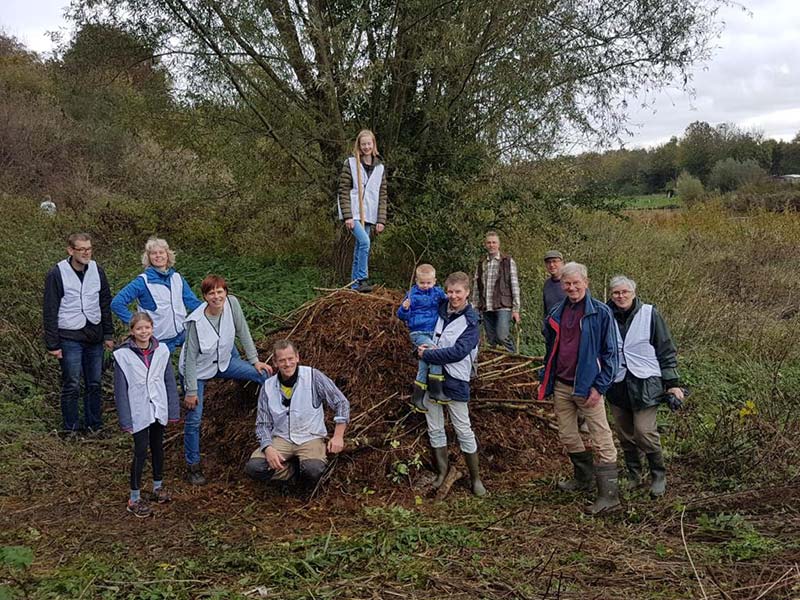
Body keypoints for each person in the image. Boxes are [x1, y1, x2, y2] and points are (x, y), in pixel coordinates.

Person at [538, 262, 621, 514]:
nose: (572, 287)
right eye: (567, 283)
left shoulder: (601, 313)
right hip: (562, 384)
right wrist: (547, 379)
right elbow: (551, 349)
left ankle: (609, 497)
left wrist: (600, 386)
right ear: (562, 285)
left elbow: (611, 354)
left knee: (601, 437)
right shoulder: (555, 312)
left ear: (586, 282)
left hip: (588, 386)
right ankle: (583, 479)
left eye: (576, 283)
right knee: (567, 434)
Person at [180, 275, 273, 485]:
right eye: (211, 293)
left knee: (264, 375)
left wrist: (255, 360)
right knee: (194, 418)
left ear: (226, 293)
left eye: (220, 291)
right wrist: (191, 390)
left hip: (224, 362)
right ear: (205, 296)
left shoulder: (232, 304)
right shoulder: (196, 321)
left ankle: (270, 423)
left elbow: (243, 330)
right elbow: (189, 359)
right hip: (199, 370)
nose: (217, 296)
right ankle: (193, 466)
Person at [606, 275, 683, 498]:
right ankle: (634, 474)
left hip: (646, 382)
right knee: (624, 432)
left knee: (644, 431)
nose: (620, 296)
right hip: (617, 383)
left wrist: (672, 383)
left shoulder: (650, 314)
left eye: (624, 292)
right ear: (611, 295)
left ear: (633, 292)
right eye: (616, 293)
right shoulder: (604, 314)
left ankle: (658, 474)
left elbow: (665, 349)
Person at [244, 340, 350, 491]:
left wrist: (338, 436)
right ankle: (290, 474)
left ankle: (304, 480)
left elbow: (341, 402)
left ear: (297, 357)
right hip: (281, 438)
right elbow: (263, 424)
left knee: (313, 470)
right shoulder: (267, 387)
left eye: (290, 359)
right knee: (255, 467)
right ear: (275, 362)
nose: (287, 364)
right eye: (282, 360)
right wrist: (268, 447)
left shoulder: (314, 377)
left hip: (310, 436)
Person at [418, 272, 486, 497]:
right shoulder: (437, 312)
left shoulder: (471, 322)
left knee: (463, 428)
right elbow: (421, 336)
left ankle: (476, 479)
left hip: (456, 379)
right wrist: (419, 349)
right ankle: (441, 473)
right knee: (435, 427)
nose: (453, 296)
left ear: (467, 293)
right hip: (431, 379)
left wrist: (427, 355)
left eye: (458, 292)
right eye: (450, 292)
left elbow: (458, 352)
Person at [43, 233, 114, 436]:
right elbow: (50, 310)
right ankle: (71, 428)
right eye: (81, 249)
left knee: (94, 383)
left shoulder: (97, 270)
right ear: (71, 250)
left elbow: (104, 302)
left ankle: (94, 426)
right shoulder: (57, 273)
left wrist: (108, 334)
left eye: (89, 248)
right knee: (72, 384)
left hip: (94, 335)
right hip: (69, 336)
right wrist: (53, 344)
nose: (86, 253)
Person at [113, 313, 180, 518]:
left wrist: (173, 409)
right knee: (141, 450)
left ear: (152, 328)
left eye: (147, 328)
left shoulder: (162, 351)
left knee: (158, 446)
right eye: (139, 329)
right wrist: (125, 419)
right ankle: (134, 497)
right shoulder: (122, 356)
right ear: (132, 331)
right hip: (138, 409)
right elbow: (120, 390)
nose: (144, 332)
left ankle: (157, 486)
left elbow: (169, 381)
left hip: (158, 406)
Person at [111, 237, 202, 353]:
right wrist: (137, 325)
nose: (158, 256)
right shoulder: (142, 282)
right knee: (161, 371)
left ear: (167, 255)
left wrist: (213, 311)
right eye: (154, 253)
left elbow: (192, 302)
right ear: (148, 257)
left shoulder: (177, 278)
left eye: (161, 252)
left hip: (182, 334)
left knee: (200, 360)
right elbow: (117, 303)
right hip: (158, 340)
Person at [337, 129, 387, 293]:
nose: (366, 147)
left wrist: (381, 220)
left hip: (369, 212)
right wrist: (347, 216)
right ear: (358, 145)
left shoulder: (379, 167)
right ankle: (363, 278)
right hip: (353, 211)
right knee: (365, 242)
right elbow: (343, 190)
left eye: (369, 143)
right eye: (363, 144)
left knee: (360, 246)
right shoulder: (351, 163)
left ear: (373, 145)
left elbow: (382, 194)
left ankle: (354, 285)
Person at [397, 263, 448, 412]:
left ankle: (417, 398)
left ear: (434, 281)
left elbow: (448, 302)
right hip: (418, 332)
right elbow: (401, 315)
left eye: (429, 283)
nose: (425, 286)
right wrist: (404, 308)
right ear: (416, 281)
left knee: (424, 364)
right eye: (422, 283)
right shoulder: (412, 294)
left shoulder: (437, 293)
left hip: (433, 332)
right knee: (435, 353)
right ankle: (436, 391)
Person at [472, 231, 521, 352]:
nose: (491, 245)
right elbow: (476, 286)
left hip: (503, 305)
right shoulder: (481, 263)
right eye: (489, 242)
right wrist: (474, 306)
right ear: (485, 244)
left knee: (502, 336)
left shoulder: (508, 262)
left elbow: (514, 285)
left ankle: (514, 356)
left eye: (494, 242)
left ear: (498, 245)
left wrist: (516, 309)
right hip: (486, 306)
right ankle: (498, 364)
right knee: (492, 339)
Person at [542, 250, 566, 317]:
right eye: (548, 262)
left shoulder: (572, 282)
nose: (551, 265)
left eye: (554, 261)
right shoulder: (547, 284)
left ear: (562, 263)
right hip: (551, 325)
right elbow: (546, 310)